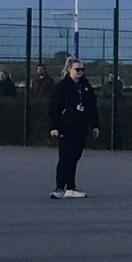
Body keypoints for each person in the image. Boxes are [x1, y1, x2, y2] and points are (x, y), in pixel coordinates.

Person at [48, 58, 101, 199]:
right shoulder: (62, 86)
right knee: (65, 157)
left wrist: (95, 125)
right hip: (66, 128)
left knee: (75, 157)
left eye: (82, 69)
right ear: (69, 70)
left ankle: (71, 187)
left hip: (81, 127)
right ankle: (59, 188)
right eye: (77, 69)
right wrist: (54, 127)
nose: (80, 72)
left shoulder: (86, 87)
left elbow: (92, 107)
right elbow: (54, 108)